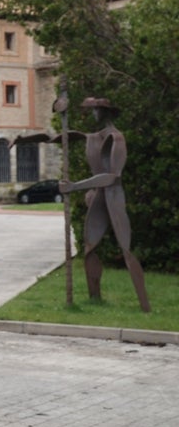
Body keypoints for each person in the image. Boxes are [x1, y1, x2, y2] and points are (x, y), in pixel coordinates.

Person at [59, 97, 150, 312]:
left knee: (126, 248)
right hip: (99, 196)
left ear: (105, 112)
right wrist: (59, 110)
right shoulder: (94, 137)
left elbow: (112, 176)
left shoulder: (116, 138)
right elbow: (61, 137)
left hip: (113, 196)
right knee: (90, 247)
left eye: (96, 110)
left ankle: (144, 304)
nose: (93, 115)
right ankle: (94, 298)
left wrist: (75, 186)